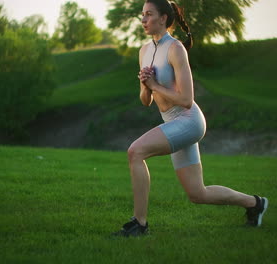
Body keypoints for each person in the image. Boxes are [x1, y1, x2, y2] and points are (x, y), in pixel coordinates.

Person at [113, 0, 268, 237]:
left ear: (163, 18)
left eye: (149, 14)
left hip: (188, 120)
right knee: (198, 194)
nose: (143, 19)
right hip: (172, 122)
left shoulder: (176, 49)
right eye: (142, 15)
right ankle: (255, 204)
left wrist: (155, 84)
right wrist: (146, 86)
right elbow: (146, 101)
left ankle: (139, 224)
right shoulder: (144, 51)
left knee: (136, 152)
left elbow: (186, 99)